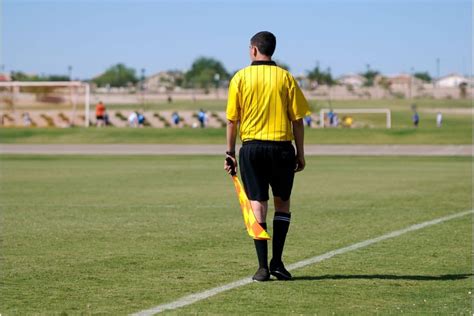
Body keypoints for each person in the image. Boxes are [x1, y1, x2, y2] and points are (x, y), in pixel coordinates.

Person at [224, 31, 310, 282]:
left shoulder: (240, 78)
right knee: (282, 203)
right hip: (282, 148)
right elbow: (298, 120)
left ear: (253, 50)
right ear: (272, 50)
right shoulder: (286, 78)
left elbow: (232, 120)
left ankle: (262, 268)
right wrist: (301, 154)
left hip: (251, 149)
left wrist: (230, 153)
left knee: (257, 206)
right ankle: (278, 263)